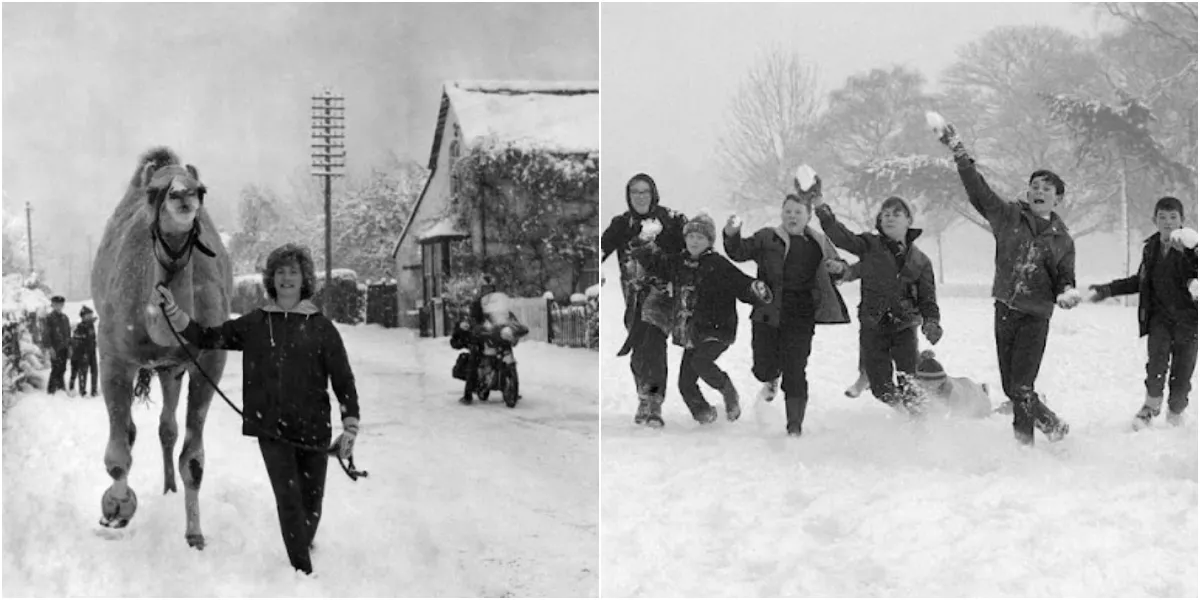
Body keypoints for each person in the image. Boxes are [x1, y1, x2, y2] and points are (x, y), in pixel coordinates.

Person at [155, 243, 360, 576]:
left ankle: (303, 544)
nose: (287, 277)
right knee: (289, 500)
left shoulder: (322, 327)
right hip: (272, 429)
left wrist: (349, 426)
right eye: (280, 272)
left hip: (314, 429)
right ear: (272, 279)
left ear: (305, 278)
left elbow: (343, 380)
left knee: (312, 503)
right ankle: (304, 573)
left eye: (293, 271)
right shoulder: (256, 323)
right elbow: (209, 337)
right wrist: (177, 315)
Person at [931, 114, 1076, 445]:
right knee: (1012, 388)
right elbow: (979, 192)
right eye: (1034, 186)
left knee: (1022, 387)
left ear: (1058, 199)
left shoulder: (1062, 240)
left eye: (1047, 188)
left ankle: (1023, 445)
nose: (1038, 190)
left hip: (1036, 315)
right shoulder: (1008, 216)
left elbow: (1066, 278)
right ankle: (1052, 425)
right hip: (1005, 309)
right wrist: (959, 152)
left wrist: (1067, 293)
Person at [723, 191, 851, 437]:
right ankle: (770, 378)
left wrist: (838, 268)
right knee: (763, 366)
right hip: (767, 313)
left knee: (795, 369)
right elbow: (739, 252)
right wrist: (732, 233)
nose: (792, 216)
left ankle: (795, 425)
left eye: (798, 212)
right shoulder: (767, 237)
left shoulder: (819, 242)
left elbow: (839, 268)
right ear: (781, 214)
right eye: (788, 211)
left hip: (801, 314)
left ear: (808, 216)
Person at [637, 212, 772, 424]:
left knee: (701, 362)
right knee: (685, 384)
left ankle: (728, 391)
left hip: (718, 329)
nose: (694, 241)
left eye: (700, 237)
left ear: (709, 241)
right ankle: (706, 416)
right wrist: (644, 244)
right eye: (691, 236)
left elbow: (741, 283)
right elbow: (657, 264)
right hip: (693, 332)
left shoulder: (718, 264)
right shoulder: (679, 262)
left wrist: (755, 290)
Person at [815, 194, 942, 415]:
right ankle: (901, 411)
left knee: (909, 381)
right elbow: (842, 237)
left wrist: (932, 323)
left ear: (909, 221)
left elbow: (928, 299)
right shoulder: (869, 245)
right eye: (885, 214)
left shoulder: (920, 261)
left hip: (904, 326)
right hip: (873, 326)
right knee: (880, 387)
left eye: (896, 214)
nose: (889, 218)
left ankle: (920, 420)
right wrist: (821, 209)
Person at [1088, 196, 1198, 429]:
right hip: (1160, 319)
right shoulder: (1151, 249)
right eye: (1162, 217)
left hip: (1189, 323)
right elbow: (1141, 281)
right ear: (1154, 220)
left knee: (1182, 374)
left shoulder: (1193, 249)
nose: (1167, 222)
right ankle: (1151, 406)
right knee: (1156, 364)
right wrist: (1109, 289)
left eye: (1173, 217)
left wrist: (1190, 254)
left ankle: (1176, 411)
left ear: (1182, 221)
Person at [601, 173, 689, 427]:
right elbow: (600, 249)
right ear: (628, 197)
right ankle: (644, 394)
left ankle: (653, 401)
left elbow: (695, 245)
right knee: (639, 348)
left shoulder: (672, 220)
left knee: (653, 344)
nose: (640, 197)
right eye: (634, 192)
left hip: (663, 294)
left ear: (654, 194)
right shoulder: (621, 224)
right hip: (633, 296)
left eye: (644, 192)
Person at [451, 279, 530, 405]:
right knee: (474, 356)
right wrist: (473, 326)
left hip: (497, 334)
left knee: (507, 347)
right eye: (485, 288)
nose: (487, 291)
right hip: (482, 336)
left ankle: (510, 387)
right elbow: (472, 318)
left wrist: (515, 325)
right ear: (482, 290)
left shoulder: (499, 306)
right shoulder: (477, 304)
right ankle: (468, 394)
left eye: (490, 288)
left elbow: (509, 316)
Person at [910, 350, 994, 419]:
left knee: (976, 399)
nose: (929, 388)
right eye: (925, 386)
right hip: (962, 384)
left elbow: (954, 423)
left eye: (931, 386)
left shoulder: (955, 396)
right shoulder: (917, 388)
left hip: (974, 398)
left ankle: (983, 390)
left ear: (940, 383)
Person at [42, 296, 71, 395]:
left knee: (63, 368)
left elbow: (68, 333)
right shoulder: (49, 318)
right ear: (53, 305)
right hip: (55, 348)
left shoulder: (65, 318)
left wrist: (69, 346)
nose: (59, 306)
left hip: (64, 347)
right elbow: (46, 334)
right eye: (56, 304)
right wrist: (50, 348)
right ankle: (51, 390)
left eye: (60, 304)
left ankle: (61, 388)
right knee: (56, 368)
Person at [69, 305, 99, 397]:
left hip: (92, 351)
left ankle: (94, 390)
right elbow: (78, 341)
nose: (90, 316)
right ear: (83, 316)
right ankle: (82, 391)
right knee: (83, 372)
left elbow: (93, 338)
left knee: (95, 371)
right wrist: (82, 353)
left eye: (91, 315)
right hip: (83, 353)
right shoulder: (80, 327)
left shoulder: (91, 325)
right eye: (88, 315)